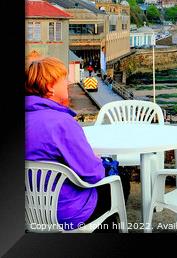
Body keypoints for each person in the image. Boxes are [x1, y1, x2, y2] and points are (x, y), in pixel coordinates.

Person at [25, 55, 128, 231]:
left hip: (27, 212)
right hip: (65, 213)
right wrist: (95, 159)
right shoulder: (61, 123)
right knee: (121, 181)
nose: (67, 83)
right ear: (50, 87)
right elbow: (94, 174)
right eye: (63, 80)